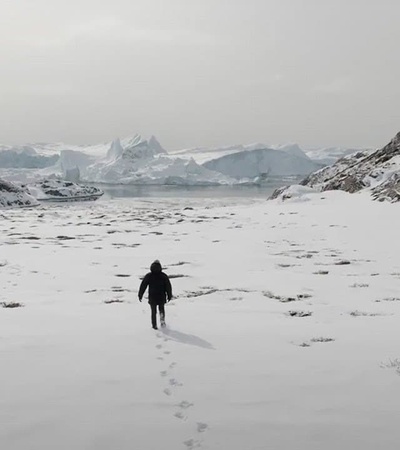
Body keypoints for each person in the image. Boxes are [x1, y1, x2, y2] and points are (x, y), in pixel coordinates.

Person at [138, 260, 172, 330]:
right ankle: (162, 320)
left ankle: (154, 325)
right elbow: (168, 286)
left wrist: (140, 295)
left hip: (152, 296)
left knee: (153, 312)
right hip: (161, 296)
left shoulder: (149, 276)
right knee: (161, 309)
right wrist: (169, 295)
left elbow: (143, 285)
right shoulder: (163, 276)